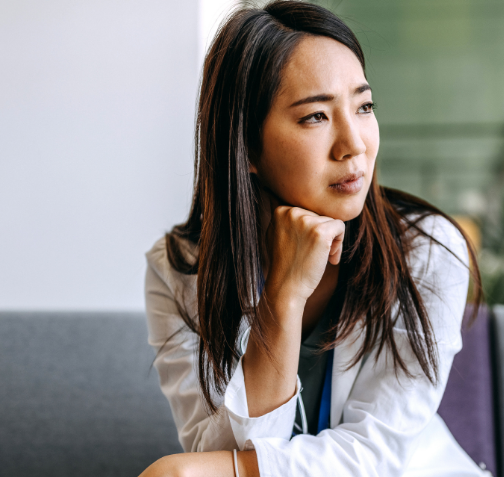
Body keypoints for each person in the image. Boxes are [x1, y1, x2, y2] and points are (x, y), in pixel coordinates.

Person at [140, 2, 486, 476]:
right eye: (315, 117)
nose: (355, 144)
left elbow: (376, 456)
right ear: (246, 146)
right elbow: (217, 446)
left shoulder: (425, 249)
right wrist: (283, 298)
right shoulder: (178, 270)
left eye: (363, 106)